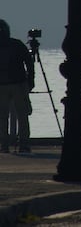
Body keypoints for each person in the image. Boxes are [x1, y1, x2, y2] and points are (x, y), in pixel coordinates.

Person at [0, 20, 33, 154]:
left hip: (3, 85)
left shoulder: (17, 45)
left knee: (2, 117)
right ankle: (23, 143)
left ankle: (4, 144)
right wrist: (31, 79)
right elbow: (29, 63)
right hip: (19, 84)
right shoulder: (17, 44)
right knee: (22, 115)